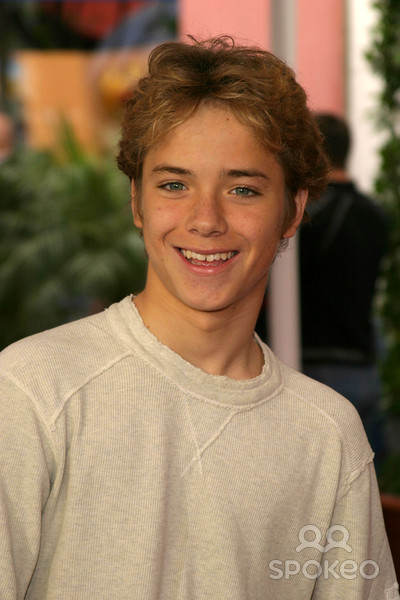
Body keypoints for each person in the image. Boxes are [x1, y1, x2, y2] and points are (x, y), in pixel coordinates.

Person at [0, 37, 397, 600]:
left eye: (242, 189)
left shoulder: (329, 436)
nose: (206, 219)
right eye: (174, 185)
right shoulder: (31, 391)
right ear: (137, 201)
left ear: (292, 210)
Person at [299, 113, 389, 465]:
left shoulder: (310, 216)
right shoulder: (376, 216)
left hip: (314, 367)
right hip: (364, 366)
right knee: (363, 484)